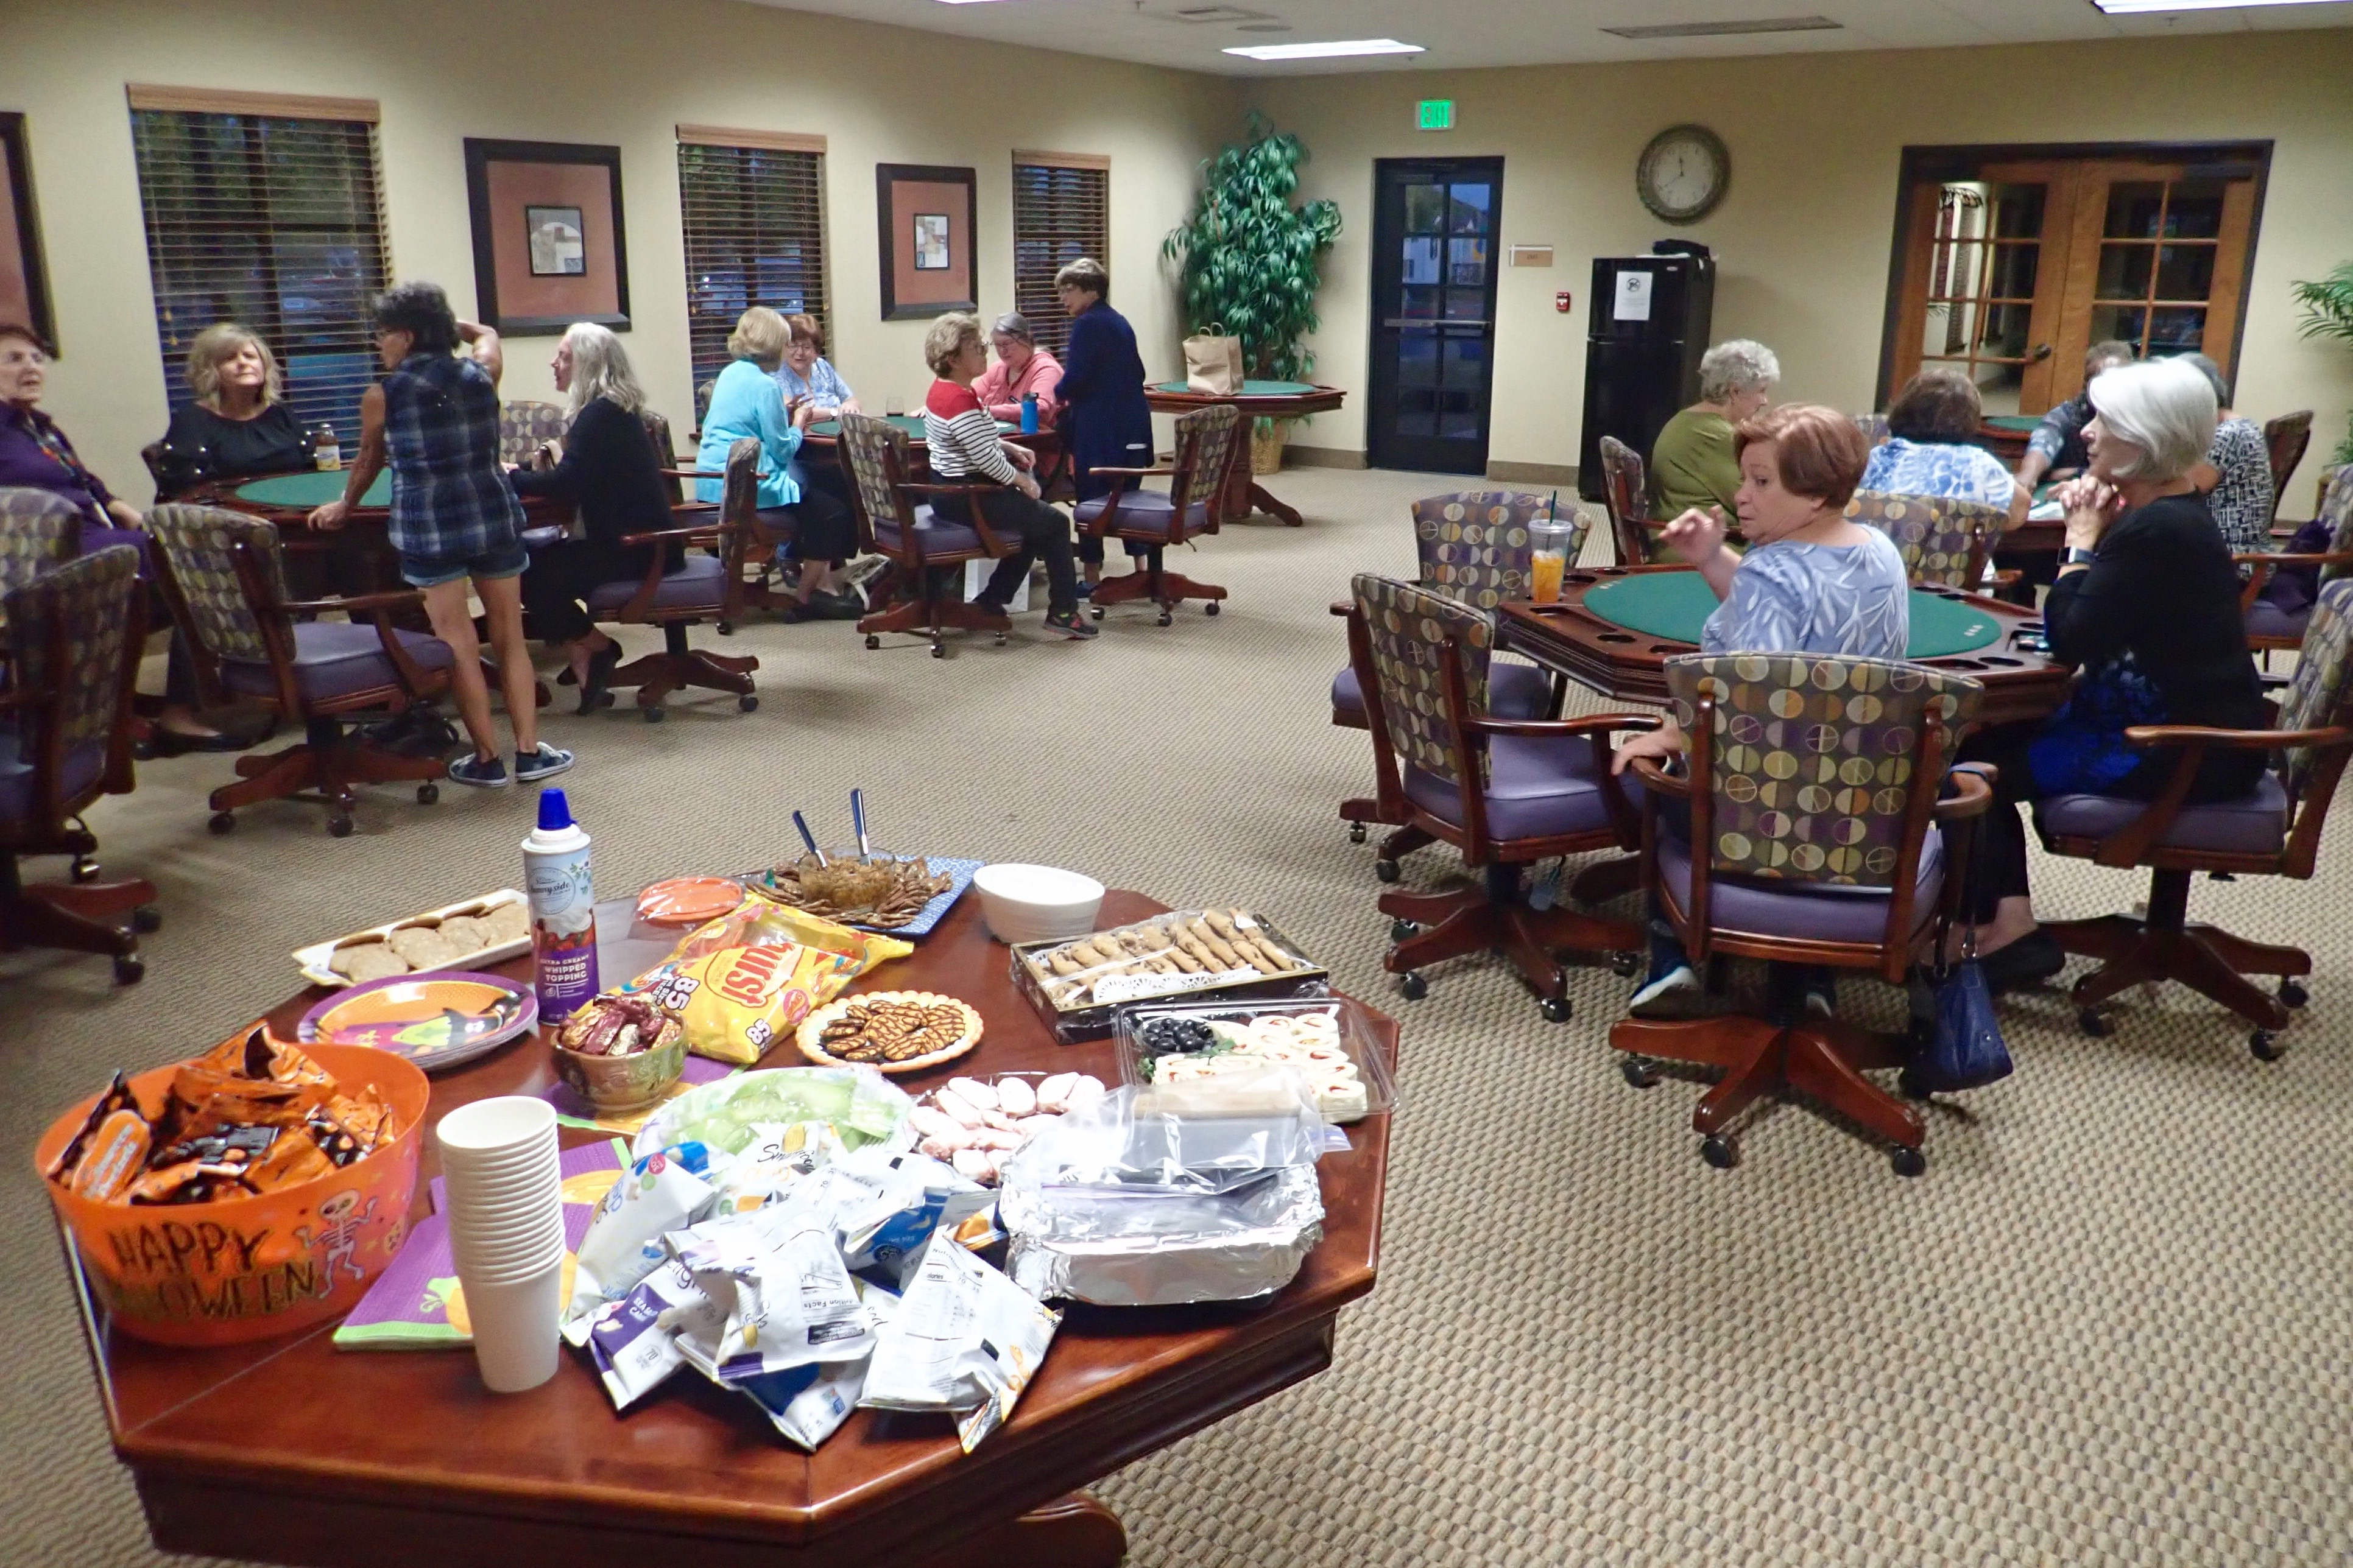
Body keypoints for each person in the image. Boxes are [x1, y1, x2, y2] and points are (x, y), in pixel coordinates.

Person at [1955, 357, 2267, 991]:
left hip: (2182, 747)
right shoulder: (2166, 511)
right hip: (2172, 720)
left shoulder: (2157, 530)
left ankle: (2007, 932)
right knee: (1974, 741)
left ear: (2144, 441)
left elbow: (2070, 637)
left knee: (1964, 768)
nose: (2086, 432)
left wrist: (2079, 540)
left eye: (2104, 421)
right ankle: (2006, 922)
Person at [1612, 405, 1909, 1017]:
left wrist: (1672, 735)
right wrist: (1711, 557)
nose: (1740, 494)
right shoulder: (1878, 550)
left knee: (1652, 782)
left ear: (1816, 492)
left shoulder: (1771, 572)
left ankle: (1672, 961)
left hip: (1768, 809)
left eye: (1761, 481)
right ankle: (1808, 980)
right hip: (1862, 804)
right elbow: (1781, 619)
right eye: (1744, 477)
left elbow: (1751, 714)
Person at [306, 281, 571, 789]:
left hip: (429, 527)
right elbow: (486, 332)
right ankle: (529, 752)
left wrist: (345, 505)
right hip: (492, 516)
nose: (378, 344)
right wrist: (450, 327)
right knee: (510, 638)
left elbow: (368, 460)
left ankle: (487, 760)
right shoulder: (482, 373)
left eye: (383, 334)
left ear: (406, 337)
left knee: (458, 644)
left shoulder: (382, 396)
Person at [0, 320, 236, 750]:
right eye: (14, 359)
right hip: (47, 558)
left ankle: (133, 702)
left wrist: (117, 505)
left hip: (92, 538)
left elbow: (83, 480)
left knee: (191, 571)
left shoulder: (39, 426)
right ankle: (166, 712)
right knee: (194, 571)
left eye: (36, 358)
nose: (31, 367)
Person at [507, 323, 682, 712]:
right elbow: (580, 470)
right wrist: (520, 470)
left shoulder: (601, 414)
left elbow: (568, 482)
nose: (554, 363)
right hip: (635, 541)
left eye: (564, 356)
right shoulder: (609, 410)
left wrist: (512, 479)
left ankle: (600, 647)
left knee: (527, 572)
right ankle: (585, 657)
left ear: (589, 364)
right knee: (537, 565)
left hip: (641, 548)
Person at [920, 312, 1095, 641]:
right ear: (954, 359)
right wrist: (1022, 481)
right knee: (1056, 524)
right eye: (977, 347)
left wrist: (1008, 446)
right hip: (967, 495)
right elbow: (985, 459)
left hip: (951, 491)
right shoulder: (959, 400)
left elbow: (977, 437)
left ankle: (992, 601)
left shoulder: (948, 390)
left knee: (1036, 525)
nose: (986, 352)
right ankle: (1064, 613)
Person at [697, 306, 859, 619]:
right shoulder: (766, 385)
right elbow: (783, 450)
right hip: (748, 486)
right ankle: (805, 598)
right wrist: (799, 421)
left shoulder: (730, 374)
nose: (789, 351)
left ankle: (819, 582)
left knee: (824, 488)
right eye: (786, 344)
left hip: (715, 482)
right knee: (833, 511)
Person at [1051, 258, 1152, 599]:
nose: (1063, 299)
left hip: (1101, 430)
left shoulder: (1087, 325)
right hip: (1133, 427)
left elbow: (1076, 378)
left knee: (1090, 502)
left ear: (1091, 291)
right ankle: (1143, 572)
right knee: (1131, 499)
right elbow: (1138, 372)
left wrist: (1055, 394)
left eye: (1069, 290)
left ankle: (1092, 577)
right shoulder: (1119, 321)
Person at [1648, 339, 1780, 522]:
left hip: (1693, 532)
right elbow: (1755, 504)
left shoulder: (1686, 420)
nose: (1765, 401)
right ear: (1735, 392)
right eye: (1762, 391)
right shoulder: (1715, 435)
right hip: (1705, 537)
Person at [159, 323, 310, 483]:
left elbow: (311, 465)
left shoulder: (279, 413)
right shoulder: (191, 421)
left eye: (250, 356)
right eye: (230, 358)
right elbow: (184, 487)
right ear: (210, 371)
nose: (243, 363)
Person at [2009, 339, 2136, 526]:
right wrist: (2027, 478)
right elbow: (2044, 442)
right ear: (2087, 385)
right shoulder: (2068, 415)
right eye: (2099, 382)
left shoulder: (2139, 420)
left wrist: (2077, 473)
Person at [1861, 367, 2017, 512]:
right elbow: (2019, 510)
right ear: (1969, 418)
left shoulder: (1877, 458)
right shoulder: (1980, 464)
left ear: (1901, 410)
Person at [2176, 351, 2275, 559]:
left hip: (2232, 560)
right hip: (2221, 552)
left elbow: (2182, 490)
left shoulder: (2227, 435)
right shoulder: (2236, 425)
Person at [973, 312, 1062, 426]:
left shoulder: (1047, 369)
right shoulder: (998, 368)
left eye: (1007, 343)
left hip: (1036, 436)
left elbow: (1040, 408)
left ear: (1026, 340)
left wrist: (987, 411)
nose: (1002, 351)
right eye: (997, 345)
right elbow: (971, 397)